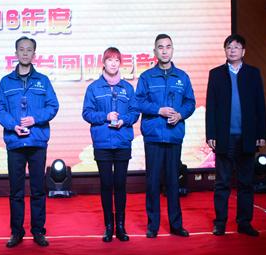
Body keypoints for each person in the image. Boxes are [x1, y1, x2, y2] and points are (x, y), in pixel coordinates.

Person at [0, 36, 59, 248]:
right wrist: (13, 125)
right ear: (15, 53)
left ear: (34, 54)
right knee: (16, 191)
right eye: (21, 49)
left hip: (37, 141)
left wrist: (35, 119)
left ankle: (38, 231)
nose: (25, 53)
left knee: (38, 189)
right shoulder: (6, 82)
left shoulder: (43, 81)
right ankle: (17, 232)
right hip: (15, 142)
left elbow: (53, 106)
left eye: (29, 50)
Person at [206, 34, 266, 237]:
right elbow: (211, 107)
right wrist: (211, 134)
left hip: (247, 136)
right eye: (229, 47)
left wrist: (261, 133)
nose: (232, 50)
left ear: (243, 51)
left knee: (246, 183)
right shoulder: (216, 74)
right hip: (224, 137)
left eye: (236, 47)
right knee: (222, 183)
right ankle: (220, 223)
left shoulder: (253, 73)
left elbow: (260, 105)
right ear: (225, 50)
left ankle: (244, 223)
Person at [135, 34, 195, 238]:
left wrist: (180, 115)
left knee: (173, 182)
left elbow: (190, 102)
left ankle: (176, 225)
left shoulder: (182, 77)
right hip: (153, 135)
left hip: (173, 135)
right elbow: (138, 102)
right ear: (155, 52)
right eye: (160, 47)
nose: (164, 50)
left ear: (172, 50)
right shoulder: (146, 77)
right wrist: (158, 110)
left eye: (168, 47)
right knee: (152, 182)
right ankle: (153, 225)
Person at [82, 47, 140, 242]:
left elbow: (135, 112)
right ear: (104, 63)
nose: (113, 63)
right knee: (106, 184)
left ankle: (121, 227)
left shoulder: (127, 88)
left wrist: (124, 120)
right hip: (102, 143)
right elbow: (87, 113)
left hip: (122, 141)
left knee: (120, 184)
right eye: (110, 60)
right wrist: (105, 116)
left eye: (117, 60)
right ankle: (109, 226)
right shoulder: (94, 88)